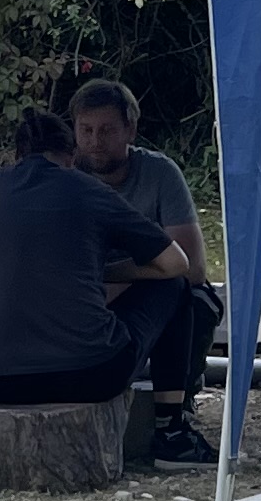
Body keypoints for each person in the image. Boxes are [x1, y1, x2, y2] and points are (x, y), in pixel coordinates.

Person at [0, 107, 189, 413]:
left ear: (16, 156)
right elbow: (176, 263)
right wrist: (106, 272)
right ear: (72, 156)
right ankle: (170, 422)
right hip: (94, 374)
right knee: (173, 285)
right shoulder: (89, 189)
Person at [65, 78, 220, 462]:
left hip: (140, 291)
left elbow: (192, 267)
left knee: (194, 299)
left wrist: (113, 277)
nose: (95, 142)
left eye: (106, 130)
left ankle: (175, 409)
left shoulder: (160, 174)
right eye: (86, 130)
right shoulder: (64, 177)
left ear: (130, 130)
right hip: (81, 300)